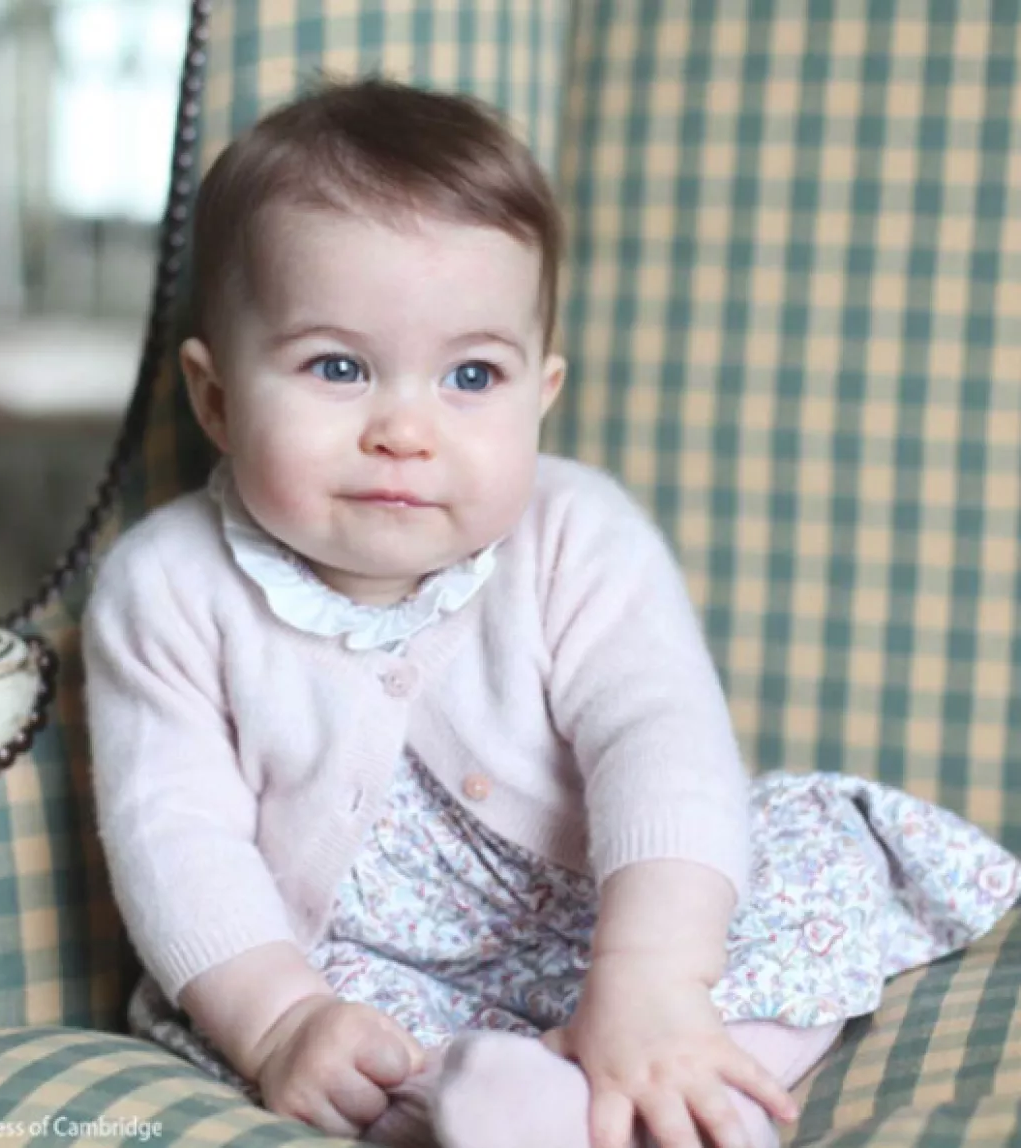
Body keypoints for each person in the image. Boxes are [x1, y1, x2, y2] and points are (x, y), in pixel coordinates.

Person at [82, 77, 1020, 1148]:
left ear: (542, 393)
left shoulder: (577, 532)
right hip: (358, 958)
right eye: (337, 366)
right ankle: (493, 1105)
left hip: (609, 912)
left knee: (795, 855)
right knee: (330, 1040)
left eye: (472, 374)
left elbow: (658, 738)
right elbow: (176, 838)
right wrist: (281, 1016)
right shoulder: (164, 587)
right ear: (216, 398)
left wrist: (649, 976)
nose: (405, 427)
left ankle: (692, 1072)